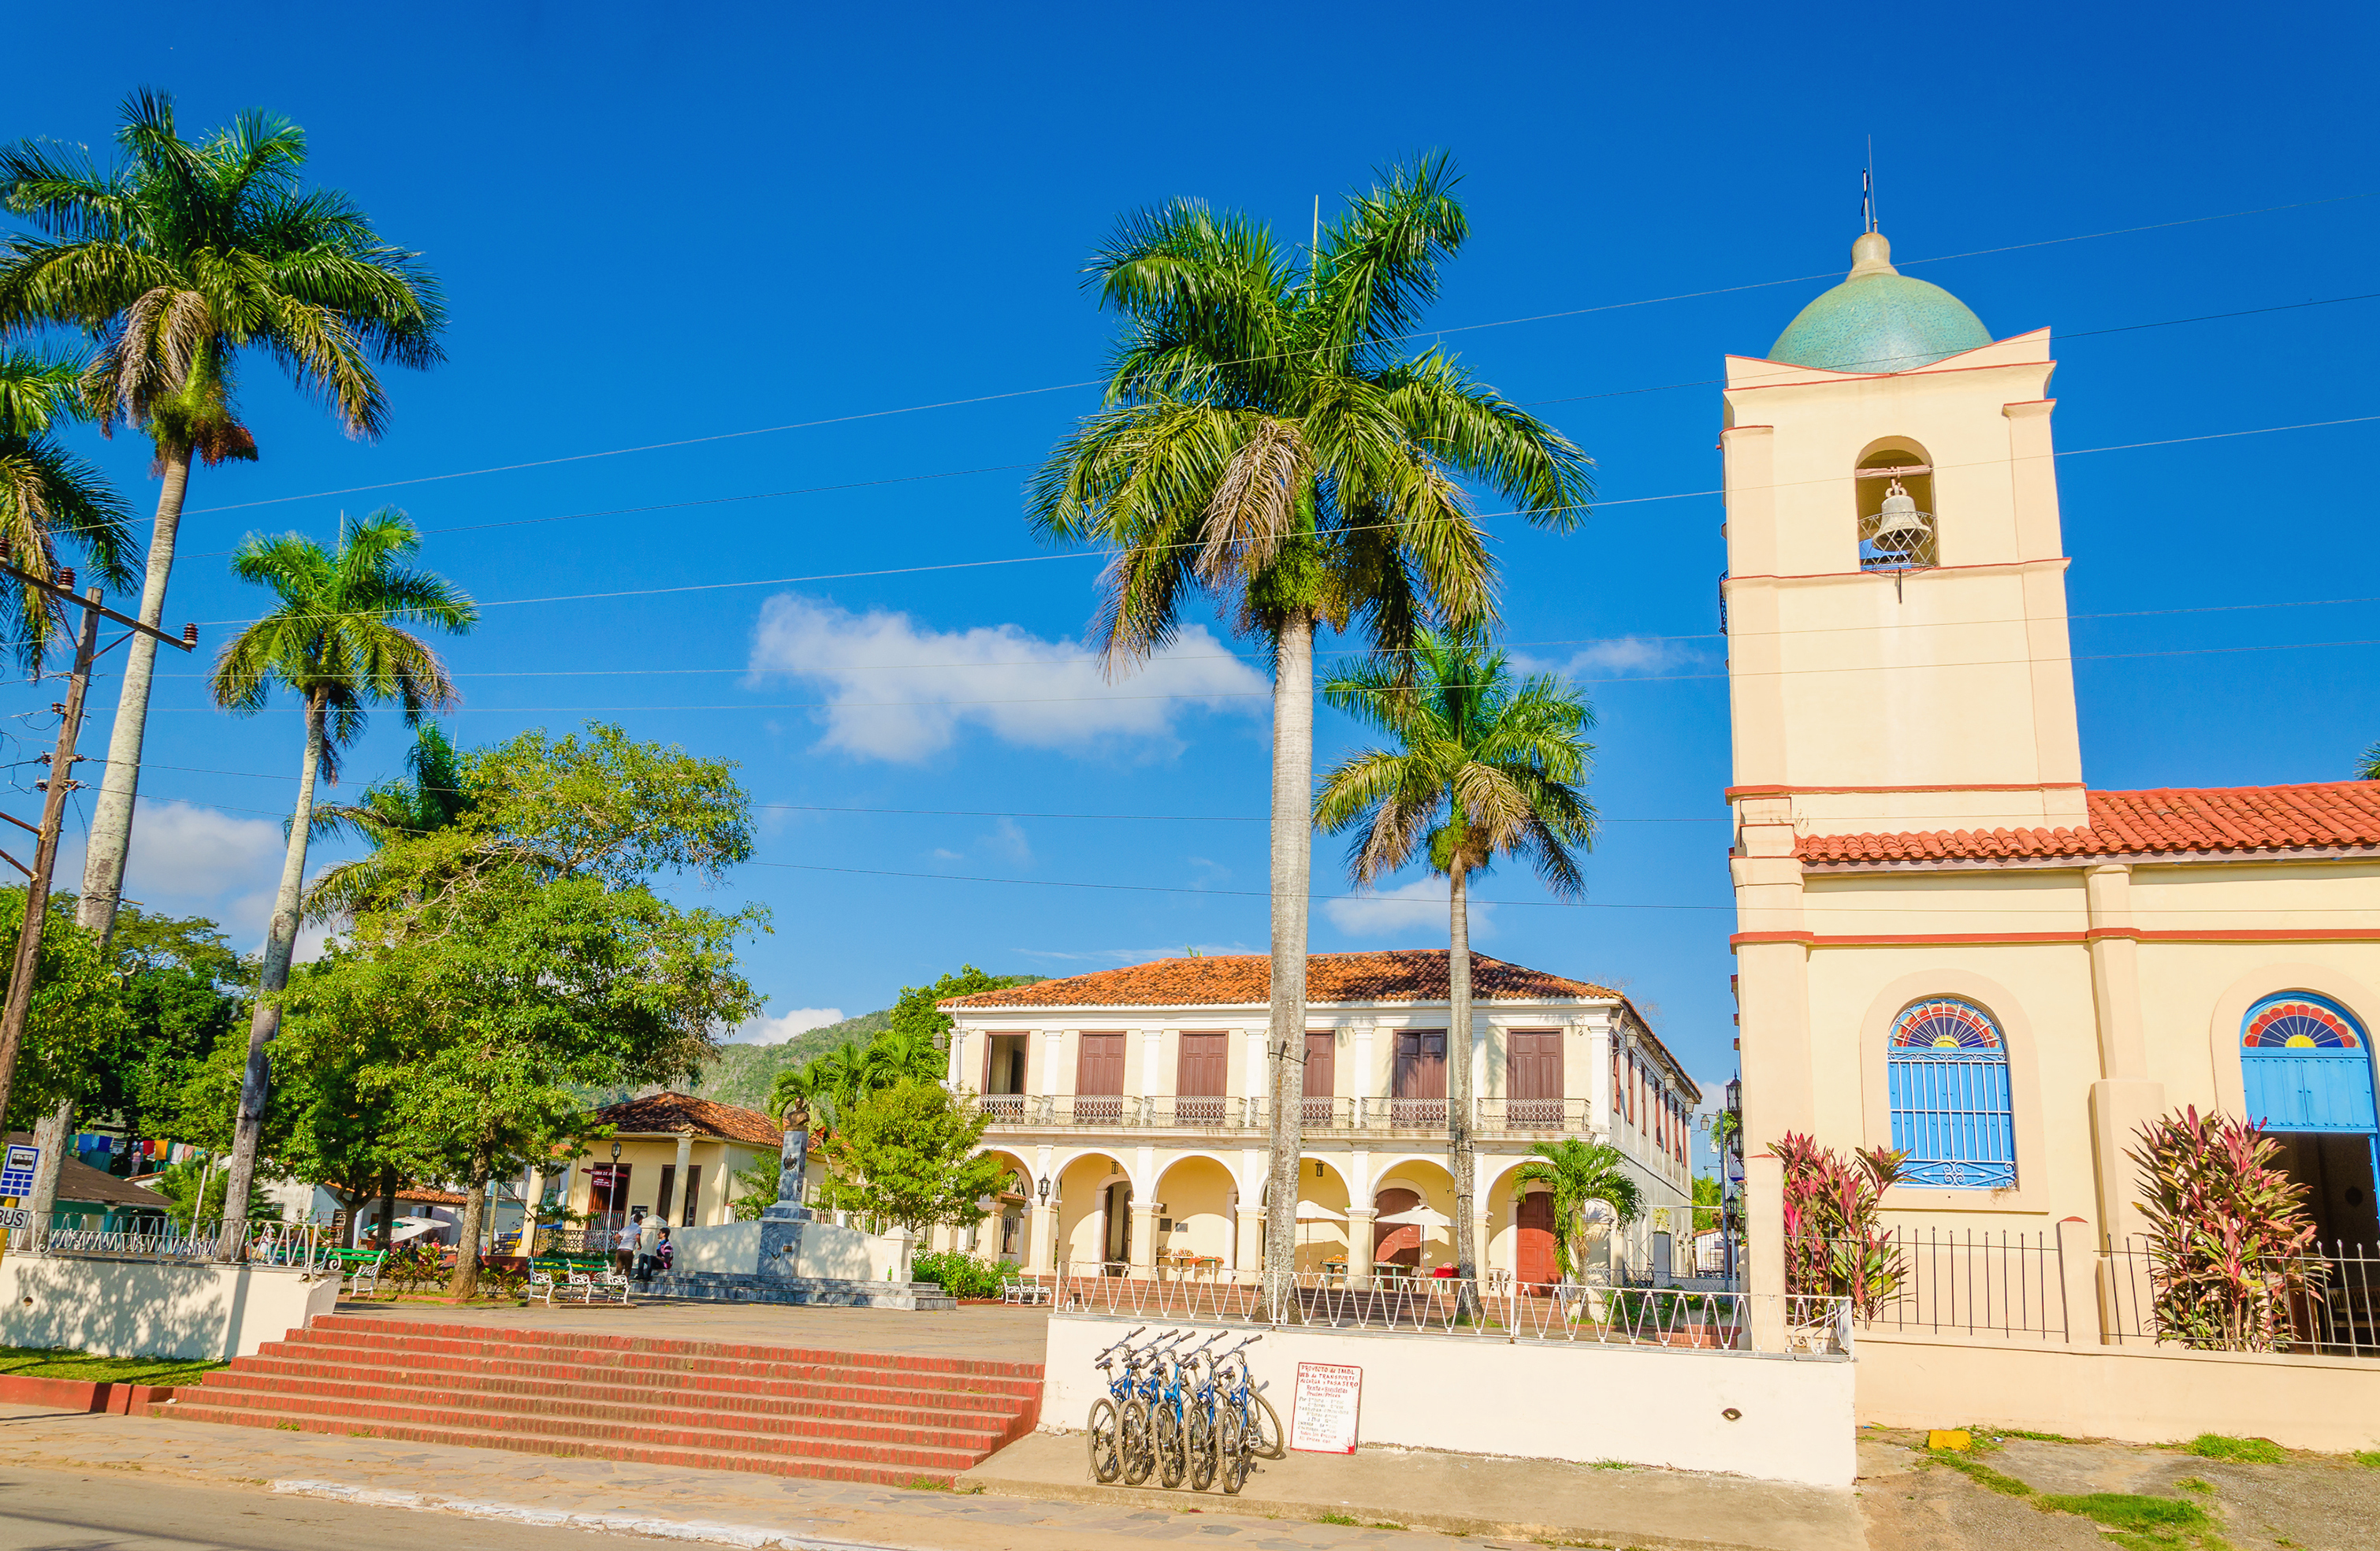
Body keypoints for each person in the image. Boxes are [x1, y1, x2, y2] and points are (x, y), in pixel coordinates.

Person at [635, 1207, 664, 1281]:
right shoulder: (660, 1243)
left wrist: (657, 1258)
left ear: (664, 1234)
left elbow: (666, 1260)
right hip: (656, 1260)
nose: (658, 1234)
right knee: (642, 1256)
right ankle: (640, 1274)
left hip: (662, 1263)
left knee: (651, 1257)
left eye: (660, 1233)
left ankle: (647, 1276)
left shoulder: (667, 1245)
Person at [615, 1210, 641, 1277]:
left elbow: (616, 1236)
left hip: (620, 1250)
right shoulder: (638, 1228)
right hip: (628, 1251)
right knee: (627, 1269)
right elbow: (637, 1237)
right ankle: (623, 1283)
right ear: (640, 1220)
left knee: (619, 1270)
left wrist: (620, 1244)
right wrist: (640, 1245)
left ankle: (615, 1283)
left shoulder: (627, 1228)